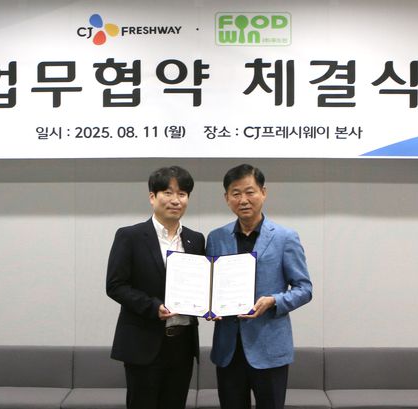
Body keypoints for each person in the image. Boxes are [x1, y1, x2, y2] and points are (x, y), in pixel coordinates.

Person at [206, 164, 313, 409]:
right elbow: (209, 285)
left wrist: (273, 301)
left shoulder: (285, 237)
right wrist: (207, 307)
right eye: (235, 193)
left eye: (250, 192)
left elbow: (304, 288)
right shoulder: (216, 238)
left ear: (263, 193)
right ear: (226, 198)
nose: (243, 200)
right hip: (228, 350)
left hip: (269, 348)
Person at [106, 166, 205, 409]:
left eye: (182, 194)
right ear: (153, 197)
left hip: (182, 344)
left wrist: (211, 305)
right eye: (168, 193)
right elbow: (115, 285)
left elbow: (201, 285)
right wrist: (153, 307)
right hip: (143, 343)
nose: (175, 200)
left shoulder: (195, 240)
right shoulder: (130, 236)